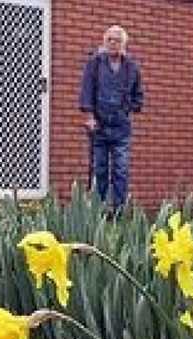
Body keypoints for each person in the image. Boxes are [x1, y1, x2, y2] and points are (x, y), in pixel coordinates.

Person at [79, 25, 144, 213]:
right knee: (99, 169)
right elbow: (87, 90)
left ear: (124, 44)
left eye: (117, 40)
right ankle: (98, 211)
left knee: (121, 170)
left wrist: (128, 109)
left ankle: (119, 211)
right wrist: (90, 117)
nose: (113, 43)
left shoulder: (131, 67)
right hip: (98, 125)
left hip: (121, 127)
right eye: (109, 39)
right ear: (104, 41)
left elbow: (138, 95)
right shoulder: (95, 63)